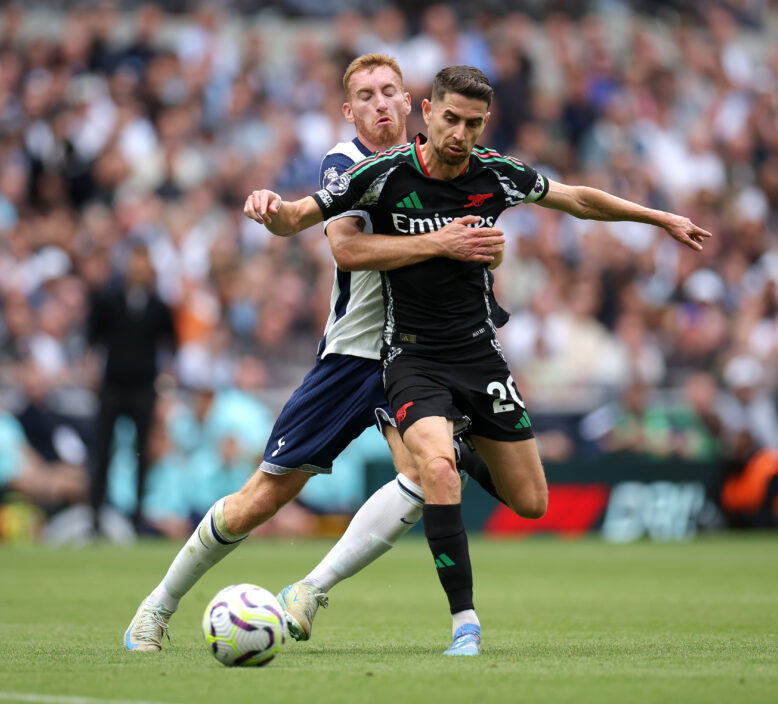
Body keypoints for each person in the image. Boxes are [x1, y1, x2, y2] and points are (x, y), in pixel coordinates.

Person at [244, 65, 711, 655]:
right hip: (410, 356)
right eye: (451, 119)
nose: (460, 133)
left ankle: (461, 450)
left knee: (531, 502)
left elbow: (576, 200)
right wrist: (269, 206)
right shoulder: (381, 174)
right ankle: (465, 622)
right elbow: (302, 217)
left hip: (479, 357)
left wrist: (657, 217)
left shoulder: (496, 174)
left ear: (483, 122)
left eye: (472, 122)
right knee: (432, 471)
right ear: (429, 112)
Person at [123, 54, 509, 655]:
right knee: (263, 498)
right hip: (354, 355)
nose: (380, 102)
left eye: (390, 91)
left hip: (420, 354)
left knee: (425, 472)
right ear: (348, 110)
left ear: (412, 104)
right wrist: (281, 213)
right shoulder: (346, 162)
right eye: (365, 94)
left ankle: (311, 587)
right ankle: (157, 606)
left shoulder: (447, 163)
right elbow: (347, 248)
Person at [88, 244, 177, 534]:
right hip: (112, 386)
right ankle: (95, 516)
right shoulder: (109, 301)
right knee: (102, 451)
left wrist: (164, 384)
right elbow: (93, 340)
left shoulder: (158, 306)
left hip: (142, 388)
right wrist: (91, 373)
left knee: (142, 453)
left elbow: (171, 345)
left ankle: (137, 517)